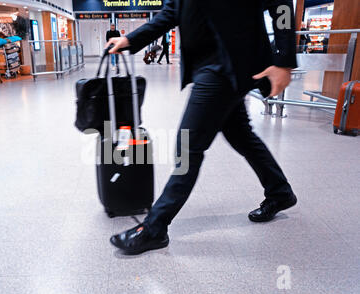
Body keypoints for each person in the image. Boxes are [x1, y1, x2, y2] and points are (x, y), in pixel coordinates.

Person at [107, 0, 298, 255]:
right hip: (208, 67)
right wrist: (130, 40)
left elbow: (281, 4)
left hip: (226, 67)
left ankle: (155, 227)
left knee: (187, 146)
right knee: (242, 136)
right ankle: (280, 191)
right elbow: (171, 13)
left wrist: (284, 60)